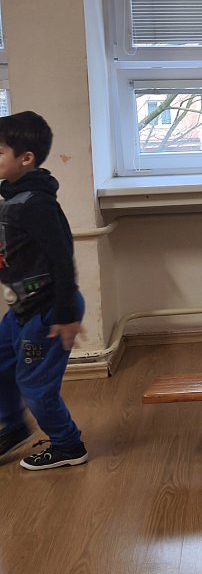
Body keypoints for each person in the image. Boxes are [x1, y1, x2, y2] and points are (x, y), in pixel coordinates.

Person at [0, 111, 87, 470]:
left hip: (49, 311)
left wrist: (65, 315)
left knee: (35, 385)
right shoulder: (12, 196)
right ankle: (14, 426)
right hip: (23, 308)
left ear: (26, 158)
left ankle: (68, 445)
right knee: (1, 365)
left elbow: (62, 259)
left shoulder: (37, 204)